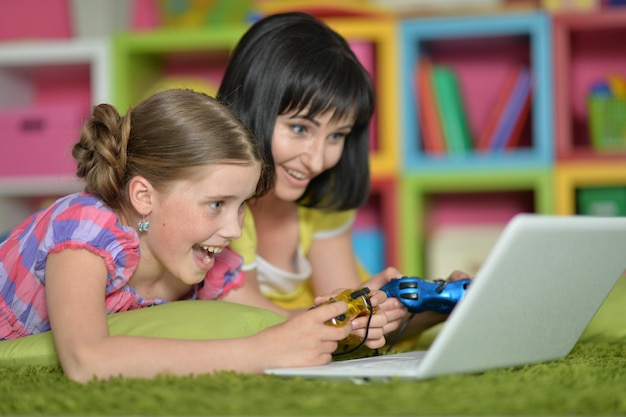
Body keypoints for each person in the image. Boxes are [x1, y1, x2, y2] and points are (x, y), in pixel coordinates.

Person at [0, 89, 383, 383]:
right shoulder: (85, 230)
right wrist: (253, 355)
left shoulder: (205, 261)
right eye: (217, 204)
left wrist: (354, 315)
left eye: (242, 205)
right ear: (144, 197)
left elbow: (280, 324)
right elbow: (86, 360)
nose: (234, 230)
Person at [217, 12, 469, 344]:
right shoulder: (221, 207)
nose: (317, 160)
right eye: (300, 128)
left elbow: (354, 333)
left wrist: (434, 309)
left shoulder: (323, 203)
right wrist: (347, 315)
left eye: (337, 136)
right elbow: (246, 317)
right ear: (250, 106)